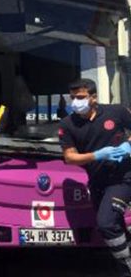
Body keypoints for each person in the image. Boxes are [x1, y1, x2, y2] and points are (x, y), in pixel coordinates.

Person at [59, 78, 131, 276]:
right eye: (72, 97)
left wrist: (128, 146)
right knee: (113, 226)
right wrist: (98, 154)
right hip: (97, 181)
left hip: (122, 177)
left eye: (80, 97)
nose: (75, 101)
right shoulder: (67, 124)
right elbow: (70, 157)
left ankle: (127, 267)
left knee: (106, 223)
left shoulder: (116, 112)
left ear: (93, 98)